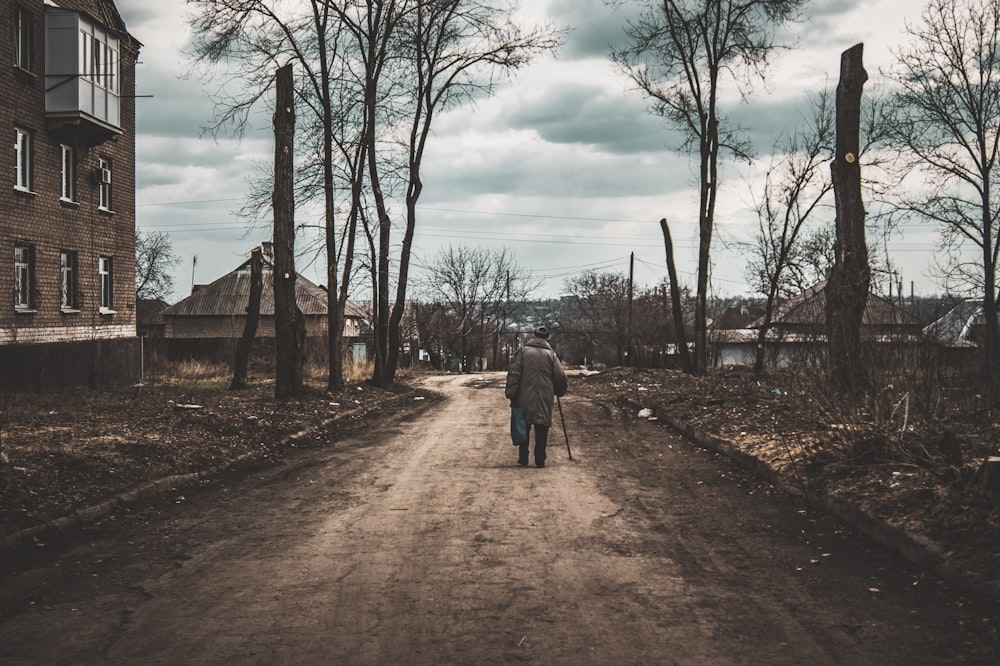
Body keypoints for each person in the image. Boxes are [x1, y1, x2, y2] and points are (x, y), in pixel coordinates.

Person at [505, 325, 568, 468]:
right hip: (544, 397)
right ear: (547, 338)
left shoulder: (523, 352)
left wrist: (511, 393)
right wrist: (559, 391)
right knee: (542, 426)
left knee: (524, 426)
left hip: (523, 395)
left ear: (534, 336)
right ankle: (540, 459)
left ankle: (523, 458)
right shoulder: (551, 355)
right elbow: (559, 376)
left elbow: (514, 373)